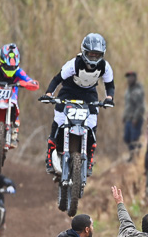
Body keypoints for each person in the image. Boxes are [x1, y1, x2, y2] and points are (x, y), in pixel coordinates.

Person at [42, 33, 114, 176]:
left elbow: (110, 84)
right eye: (91, 54)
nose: (93, 58)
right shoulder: (74, 63)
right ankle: (50, 155)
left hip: (89, 93)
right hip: (69, 91)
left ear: (102, 54)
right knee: (59, 119)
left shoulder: (105, 66)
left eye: (97, 55)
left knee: (92, 123)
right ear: (84, 51)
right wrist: (49, 94)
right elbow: (57, 79)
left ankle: (90, 157)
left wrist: (109, 98)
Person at [123, 71, 145, 162]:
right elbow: (128, 105)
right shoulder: (128, 90)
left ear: (135, 78)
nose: (129, 79)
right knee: (127, 138)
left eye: (131, 77)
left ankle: (136, 156)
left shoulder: (137, 91)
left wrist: (136, 118)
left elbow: (140, 107)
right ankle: (132, 155)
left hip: (135, 119)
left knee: (134, 139)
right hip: (128, 118)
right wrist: (124, 116)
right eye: (128, 77)